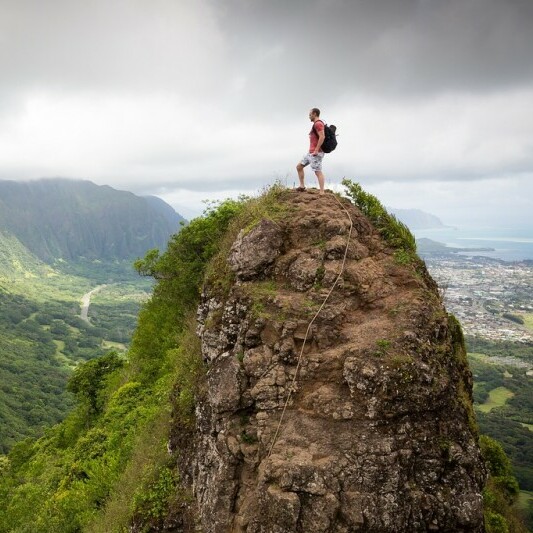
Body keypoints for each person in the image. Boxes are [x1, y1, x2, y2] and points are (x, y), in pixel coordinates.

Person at [296, 107, 326, 194]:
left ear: (315, 114)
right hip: (310, 152)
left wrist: (316, 150)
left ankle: (322, 191)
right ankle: (302, 186)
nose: (309, 116)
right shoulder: (315, 124)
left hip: (316, 152)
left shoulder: (318, 124)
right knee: (299, 167)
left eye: (310, 114)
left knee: (318, 171)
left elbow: (322, 136)